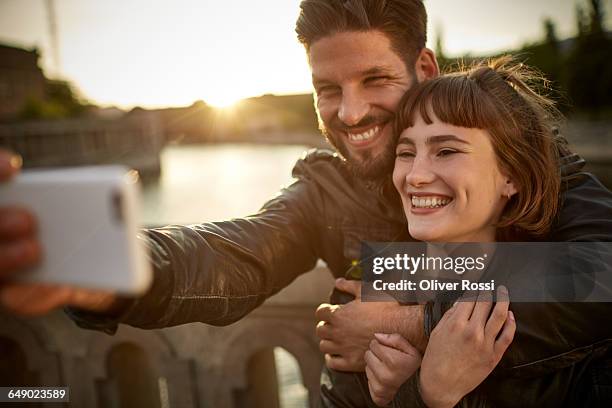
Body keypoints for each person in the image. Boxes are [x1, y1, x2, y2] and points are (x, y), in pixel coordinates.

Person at [1, 0, 612, 405]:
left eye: (375, 80)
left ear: (422, 65)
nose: (349, 114)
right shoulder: (327, 189)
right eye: (327, 89)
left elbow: (603, 270)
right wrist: (96, 260)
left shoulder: (514, 153)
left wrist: (411, 323)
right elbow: (228, 254)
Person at [365, 57, 559, 407]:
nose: (415, 176)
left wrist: (430, 392)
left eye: (447, 150)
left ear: (511, 176)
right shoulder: (371, 304)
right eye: (406, 152)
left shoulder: (565, 324)